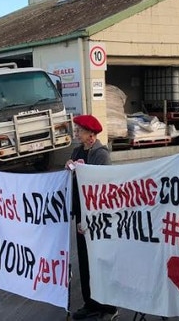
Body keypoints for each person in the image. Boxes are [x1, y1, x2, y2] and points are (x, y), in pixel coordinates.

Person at [65, 115, 118, 320]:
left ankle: (106, 304)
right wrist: (69, 168)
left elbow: (98, 187)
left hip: (95, 216)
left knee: (99, 260)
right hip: (81, 213)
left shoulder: (100, 154)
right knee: (85, 261)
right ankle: (90, 302)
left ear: (91, 134)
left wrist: (88, 218)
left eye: (80, 131)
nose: (77, 133)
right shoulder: (78, 151)